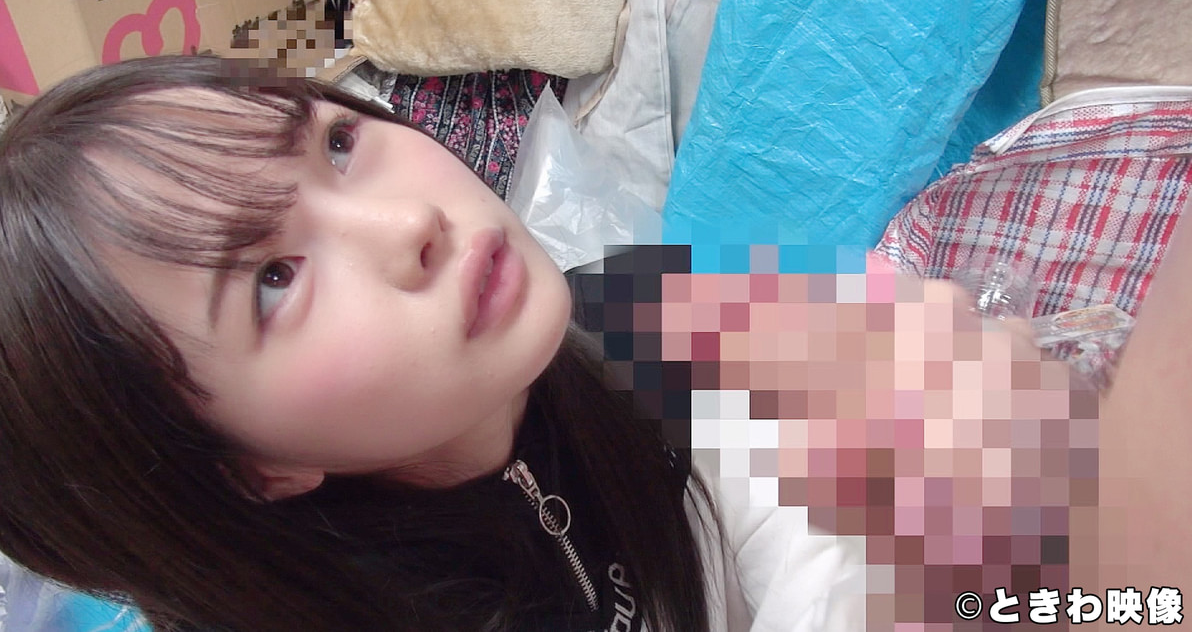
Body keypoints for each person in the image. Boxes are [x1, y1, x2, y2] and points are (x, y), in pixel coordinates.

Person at [0, 55, 864, 632]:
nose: (409, 220)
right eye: (273, 278)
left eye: (338, 144)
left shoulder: (621, 315)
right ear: (247, 469)